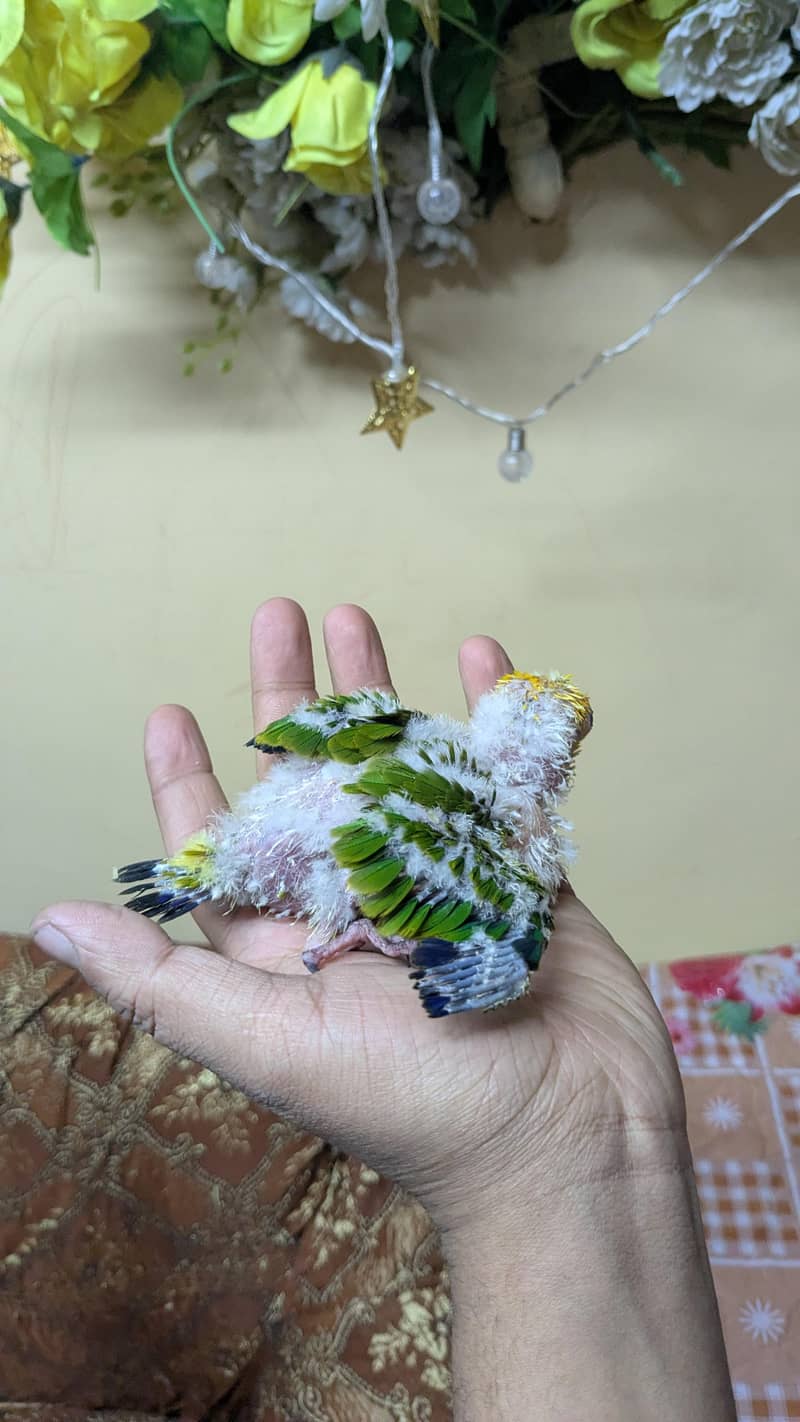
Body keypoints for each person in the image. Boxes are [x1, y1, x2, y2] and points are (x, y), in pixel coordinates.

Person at [32, 599, 736, 1421]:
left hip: (285, 833)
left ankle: (198, 872)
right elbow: (479, 960)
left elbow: (313, 742)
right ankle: (224, 876)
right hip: (319, 855)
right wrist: (469, 943)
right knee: (493, 937)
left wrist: (558, 1155)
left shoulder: (406, 730)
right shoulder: (507, 864)